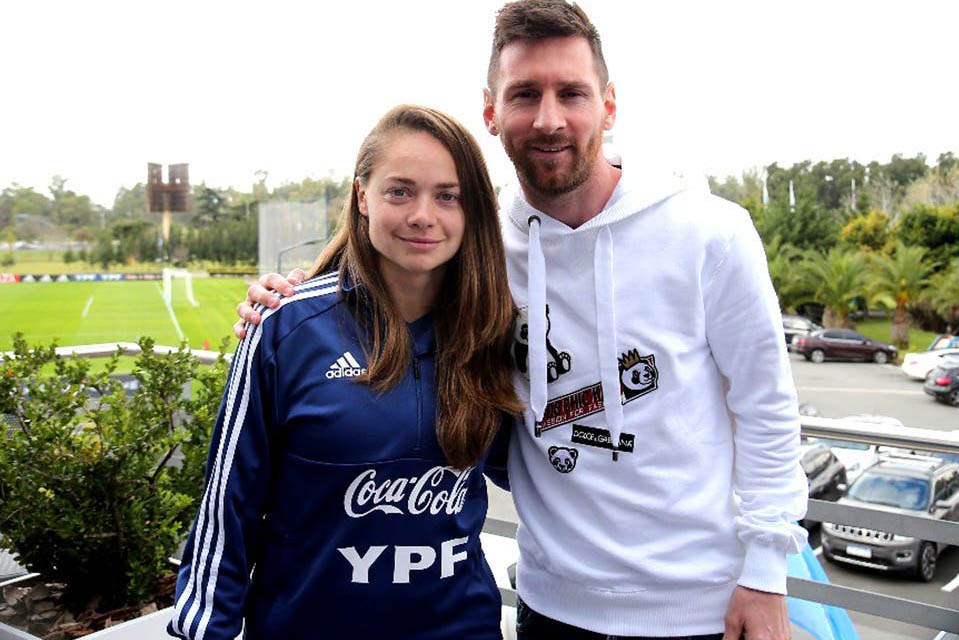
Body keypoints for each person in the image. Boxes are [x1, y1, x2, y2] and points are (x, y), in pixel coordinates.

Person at [236, 2, 808, 639]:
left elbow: (766, 405)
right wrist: (285, 301)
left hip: (701, 611)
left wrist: (766, 573)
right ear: (491, 111)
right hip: (549, 610)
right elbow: (385, 275)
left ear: (609, 105)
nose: (549, 119)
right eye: (525, 94)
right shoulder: (480, 247)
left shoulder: (711, 232)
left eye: (572, 93)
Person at [170, 105, 522, 640]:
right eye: (399, 191)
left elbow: (530, 469)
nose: (423, 215)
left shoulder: (490, 331)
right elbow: (229, 506)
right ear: (362, 197)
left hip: (461, 628)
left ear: (472, 208)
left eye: (448, 196)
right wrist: (204, 630)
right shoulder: (286, 328)